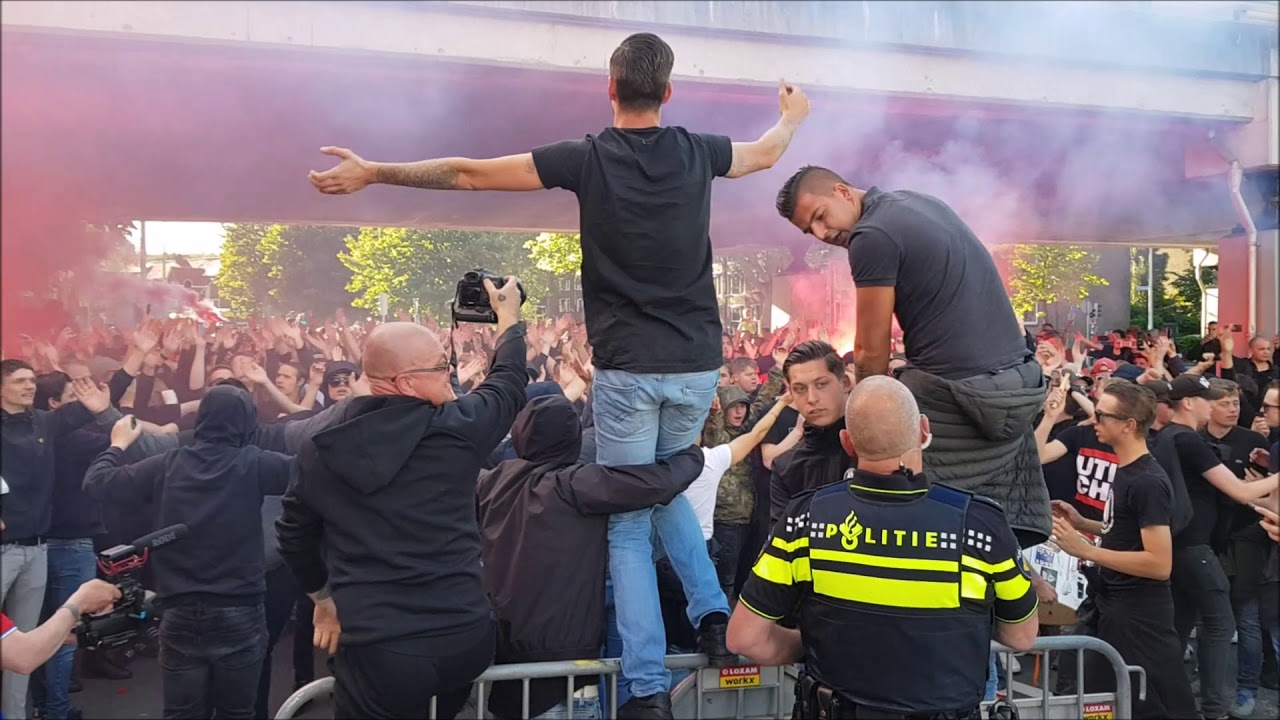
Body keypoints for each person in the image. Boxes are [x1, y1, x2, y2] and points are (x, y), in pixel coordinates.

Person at [309, 32, 810, 718]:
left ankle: (643, 691)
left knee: (631, 521)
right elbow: (768, 153)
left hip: (629, 368)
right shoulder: (700, 150)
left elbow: (466, 173)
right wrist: (792, 114)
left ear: (609, 89)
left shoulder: (587, 157)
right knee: (666, 491)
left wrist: (375, 170)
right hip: (696, 362)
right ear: (668, 92)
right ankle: (712, 615)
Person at [276, 278, 528, 720]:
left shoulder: (319, 445)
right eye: (440, 366)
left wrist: (323, 600)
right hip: (464, 636)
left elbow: (295, 535)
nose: (450, 372)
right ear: (406, 382)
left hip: (382, 649)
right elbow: (507, 383)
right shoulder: (457, 429)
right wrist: (508, 319)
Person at [726, 376, 1038, 719]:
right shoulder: (979, 525)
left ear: (847, 442)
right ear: (923, 430)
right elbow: (1021, 636)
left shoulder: (804, 520)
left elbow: (745, 638)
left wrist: (813, 644)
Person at [774, 167, 1049, 547]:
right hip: (1020, 384)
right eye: (810, 231)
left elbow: (871, 350)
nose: (823, 234)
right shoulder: (921, 203)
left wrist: (865, 415)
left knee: (893, 489)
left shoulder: (871, 235)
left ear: (842, 191)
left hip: (958, 392)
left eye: (821, 217)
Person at [476, 394, 708, 720]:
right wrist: (690, 454)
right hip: (565, 672)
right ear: (572, 438)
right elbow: (658, 483)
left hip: (508, 660)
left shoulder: (492, 482)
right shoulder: (574, 485)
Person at [81, 386, 293, 720]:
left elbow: (97, 484)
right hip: (238, 607)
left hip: (179, 608)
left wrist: (117, 445)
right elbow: (315, 475)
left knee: (182, 713)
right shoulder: (253, 463)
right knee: (237, 712)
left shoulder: (168, 465)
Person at [1049, 382, 1199, 718]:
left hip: (1139, 616)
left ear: (1128, 425)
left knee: (1151, 704)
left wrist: (1086, 551)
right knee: (1105, 700)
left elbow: (1159, 563)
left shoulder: (1146, 480)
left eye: (1101, 414)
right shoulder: (1128, 471)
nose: (1093, 420)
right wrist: (1084, 524)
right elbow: (1127, 533)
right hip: (1114, 606)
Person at [1, 361, 113, 720]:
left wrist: (131, 364)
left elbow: (87, 405)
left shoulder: (43, 422)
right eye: (19, 381)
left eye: (32, 380)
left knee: (23, 644)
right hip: (3, 549)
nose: (28, 386)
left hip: (37, 548)